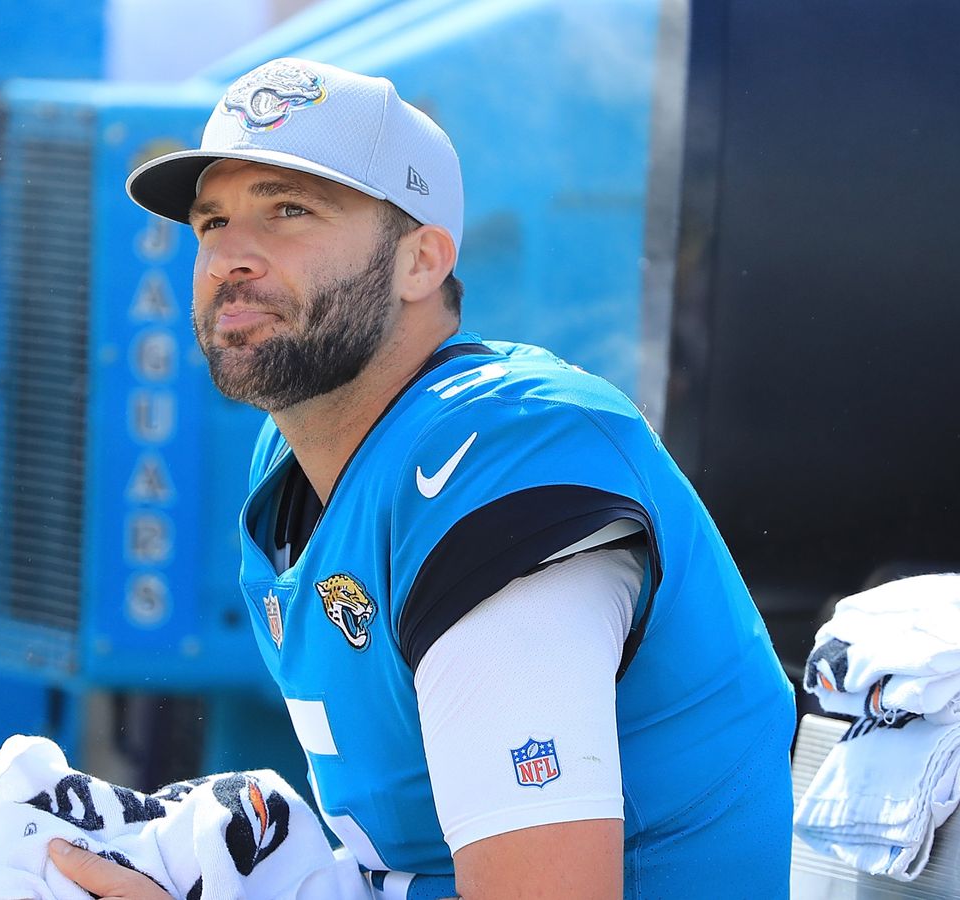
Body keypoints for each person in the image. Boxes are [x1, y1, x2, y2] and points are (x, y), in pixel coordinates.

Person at [48, 57, 795, 899]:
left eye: (290, 210)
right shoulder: (293, 458)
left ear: (421, 262)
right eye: (213, 221)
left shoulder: (507, 456)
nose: (232, 257)